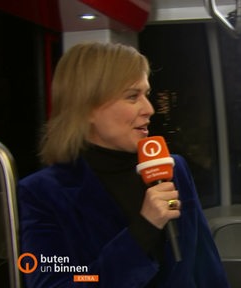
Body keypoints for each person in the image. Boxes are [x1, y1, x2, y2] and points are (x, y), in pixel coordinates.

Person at [17, 42, 229, 287]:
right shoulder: (42, 194)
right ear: (87, 109)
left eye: (146, 95)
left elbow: (205, 265)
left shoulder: (173, 167)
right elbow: (63, 283)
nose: (149, 109)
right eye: (132, 97)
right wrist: (142, 232)